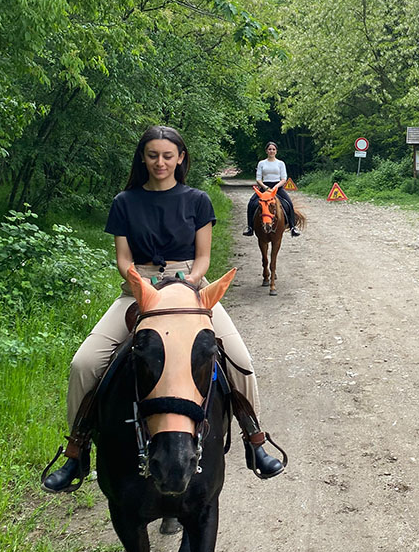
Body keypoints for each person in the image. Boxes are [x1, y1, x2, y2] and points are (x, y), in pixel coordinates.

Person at [43, 125, 284, 493]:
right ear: (143, 157)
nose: (160, 162)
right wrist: (145, 287)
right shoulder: (125, 202)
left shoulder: (198, 200)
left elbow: (202, 258)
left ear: (180, 158)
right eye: (153, 155)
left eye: (168, 156)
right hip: (139, 291)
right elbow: (123, 260)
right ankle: (76, 451)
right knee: (84, 363)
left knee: (240, 361)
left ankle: (255, 441)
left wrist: (186, 286)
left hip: (190, 289)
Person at [242, 141, 300, 237]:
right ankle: (250, 227)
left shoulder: (281, 163)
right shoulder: (261, 163)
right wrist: (265, 187)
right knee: (251, 203)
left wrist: (275, 187)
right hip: (265, 187)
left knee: (289, 204)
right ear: (266, 151)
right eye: (269, 149)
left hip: (278, 187)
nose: (271, 151)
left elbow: (284, 179)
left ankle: (293, 227)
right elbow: (258, 179)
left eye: (273, 149)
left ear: (276, 151)